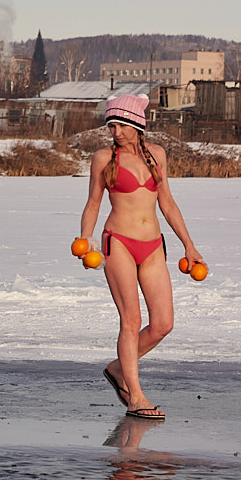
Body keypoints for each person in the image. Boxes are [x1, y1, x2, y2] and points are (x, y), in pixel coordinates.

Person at [79, 94, 205, 420]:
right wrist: (86, 239)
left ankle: (119, 369)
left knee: (163, 324)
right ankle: (135, 396)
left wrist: (189, 245)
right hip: (117, 241)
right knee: (131, 321)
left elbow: (168, 203)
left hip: (152, 247)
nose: (116, 131)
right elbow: (93, 202)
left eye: (121, 124)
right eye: (112, 125)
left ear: (137, 124)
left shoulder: (157, 156)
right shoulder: (104, 158)